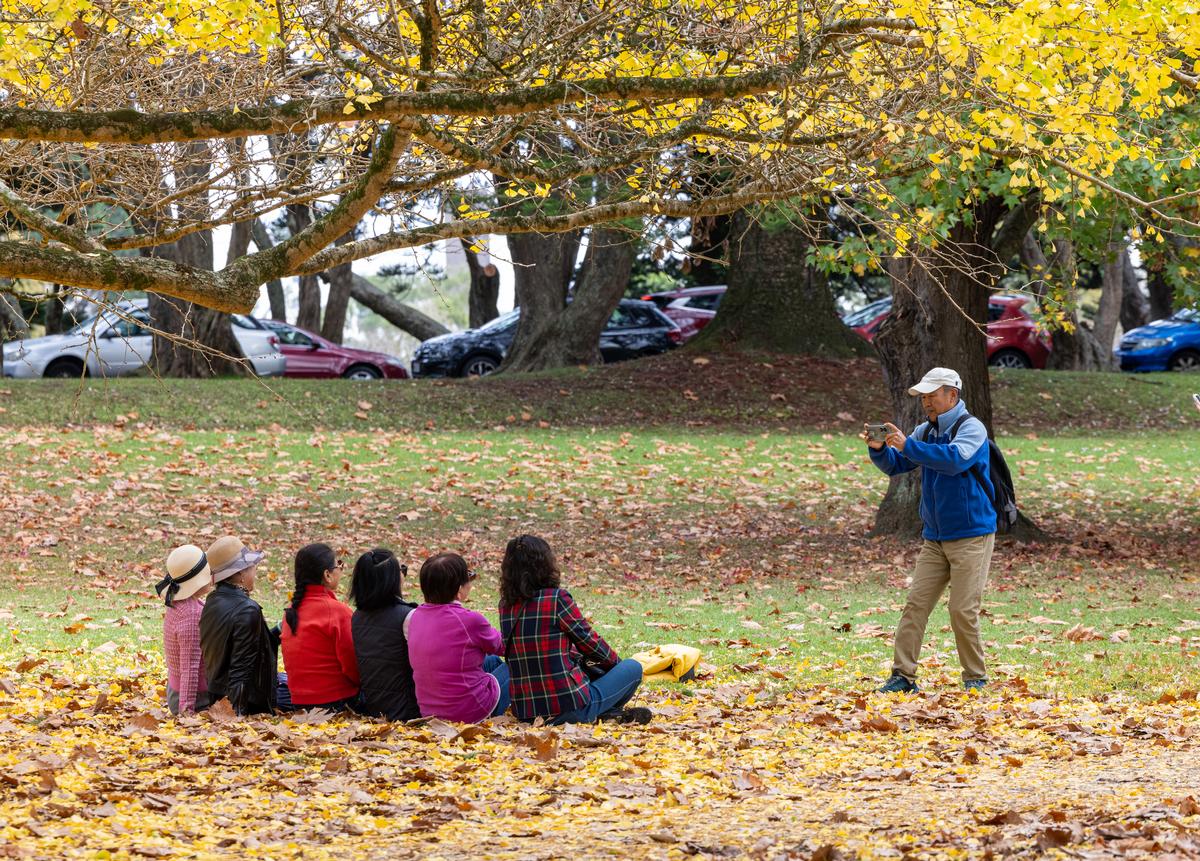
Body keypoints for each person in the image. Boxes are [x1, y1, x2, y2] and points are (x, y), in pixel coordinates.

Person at [864, 367, 997, 693]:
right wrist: (880, 448)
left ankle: (975, 679)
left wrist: (908, 445)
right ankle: (903, 677)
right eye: (923, 397)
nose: (926, 402)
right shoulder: (926, 431)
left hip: (972, 536)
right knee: (915, 606)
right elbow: (899, 466)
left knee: (961, 610)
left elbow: (953, 460)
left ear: (952, 395)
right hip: (935, 538)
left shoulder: (972, 428)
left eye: (932, 395)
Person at [499, 534, 651, 725]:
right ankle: (602, 712)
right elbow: (591, 643)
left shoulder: (505, 606)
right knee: (633, 668)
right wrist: (617, 667)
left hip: (527, 711)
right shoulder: (557, 599)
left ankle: (607, 713)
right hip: (569, 705)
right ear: (545, 564)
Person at [406, 552, 510, 722]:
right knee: (514, 665)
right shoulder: (469, 620)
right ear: (459, 590)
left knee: (492, 661)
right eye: (468, 577)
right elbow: (506, 646)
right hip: (471, 712)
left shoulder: (414, 616)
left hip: (429, 712)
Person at [199, 536, 284, 715]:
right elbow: (241, 671)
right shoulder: (247, 610)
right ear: (240, 574)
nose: (256, 573)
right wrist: (236, 718)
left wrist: (279, 630)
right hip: (243, 702)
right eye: (253, 568)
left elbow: (246, 646)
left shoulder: (213, 600)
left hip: (217, 695)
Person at [280, 543, 361, 712]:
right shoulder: (338, 612)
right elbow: (353, 667)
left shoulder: (291, 612)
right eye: (338, 565)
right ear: (327, 575)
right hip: (337, 702)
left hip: (299, 703)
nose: (341, 569)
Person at [349, 548, 420, 721]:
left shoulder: (357, 616)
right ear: (393, 580)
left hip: (375, 709)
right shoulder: (407, 616)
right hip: (408, 712)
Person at [156, 544, 214, 715]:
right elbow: (189, 666)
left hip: (177, 689)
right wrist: (186, 710)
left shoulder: (180, 601)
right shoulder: (191, 615)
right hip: (195, 697)